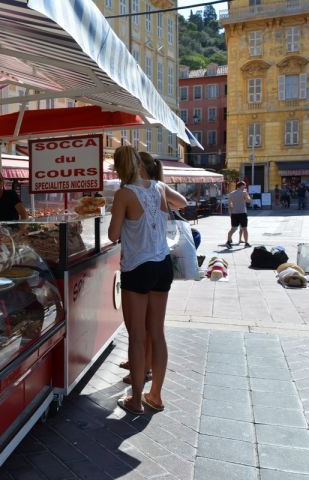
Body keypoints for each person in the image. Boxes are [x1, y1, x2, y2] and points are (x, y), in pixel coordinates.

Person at [108, 146, 172, 415]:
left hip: (137, 266)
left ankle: (135, 399)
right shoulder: (158, 187)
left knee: (136, 337)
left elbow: (112, 234)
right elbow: (166, 218)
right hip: (163, 263)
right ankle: (155, 395)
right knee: (157, 333)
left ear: (120, 168)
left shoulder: (124, 194)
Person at [225, 181, 252, 249]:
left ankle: (228, 241)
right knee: (244, 228)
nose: (245, 187)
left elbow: (229, 204)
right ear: (240, 186)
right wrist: (247, 195)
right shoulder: (244, 192)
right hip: (242, 213)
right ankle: (246, 243)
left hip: (234, 213)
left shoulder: (231, 193)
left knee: (233, 229)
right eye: (244, 186)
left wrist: (230, 213)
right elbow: (249, 201)